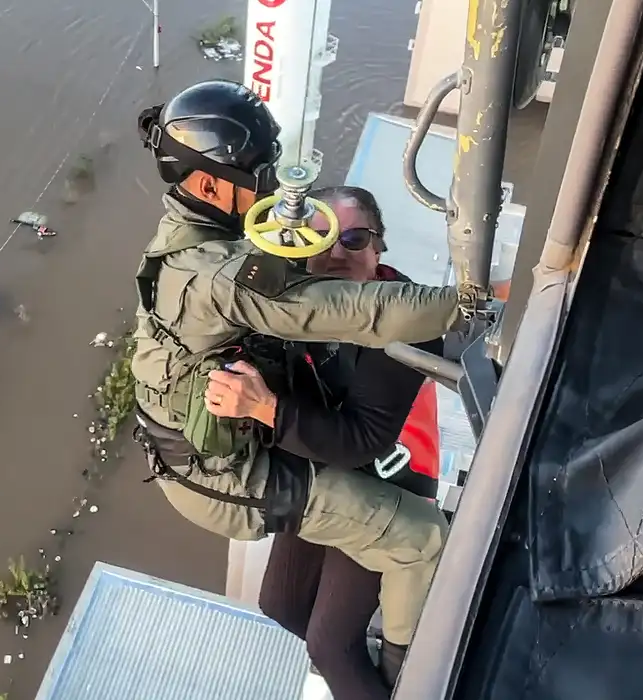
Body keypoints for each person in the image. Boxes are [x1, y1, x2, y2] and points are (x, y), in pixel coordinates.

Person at [130, 80, 462, 681]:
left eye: (356, 240)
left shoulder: (187, 239)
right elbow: (361, 313)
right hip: (226, 472)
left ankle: (390, 659)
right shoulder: (221, 277)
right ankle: (415, 682)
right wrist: (473, 303)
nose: (268, 188)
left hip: (234, 450)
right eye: (259, 175)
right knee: (423, 540)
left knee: (316, 619)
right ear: (209, 185)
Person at [209, 185, 443, 698]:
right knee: (282, 606)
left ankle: (384, 676)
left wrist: (264, 408)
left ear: (378, 249)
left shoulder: (407, 322)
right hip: (321, 463)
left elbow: (362, 439)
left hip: (386, 481)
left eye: (353, 239)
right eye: (321, 238)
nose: (336, 252)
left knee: (330, 645)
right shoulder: (296, 304)